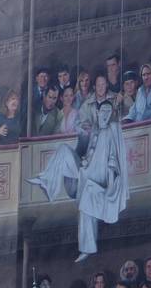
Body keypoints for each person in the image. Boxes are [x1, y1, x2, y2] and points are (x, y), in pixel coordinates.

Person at [28, 100, 129, 262]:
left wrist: (111, 181)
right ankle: (46, 181)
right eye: (103, 110)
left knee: (86, 210)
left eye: (108, 112)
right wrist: (83, 153)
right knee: (63, 150)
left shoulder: (112, 131)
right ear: (97, 112)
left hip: (96, 180)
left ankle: (88, 249)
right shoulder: (95, 129)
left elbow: (114, 157)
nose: (105, 114)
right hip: (84, 171)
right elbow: (87, 150)